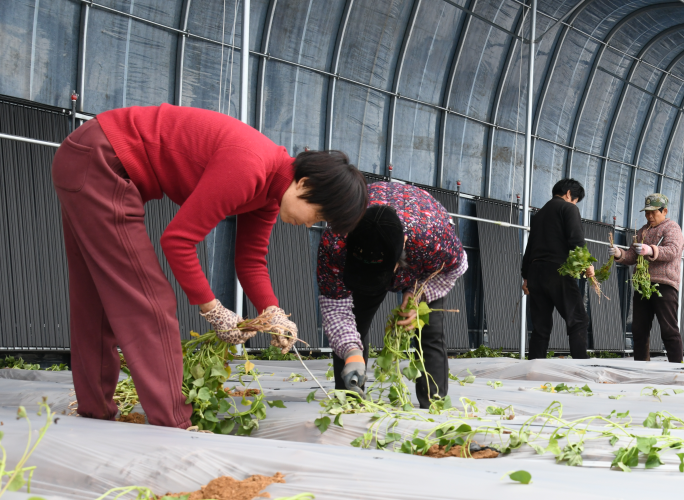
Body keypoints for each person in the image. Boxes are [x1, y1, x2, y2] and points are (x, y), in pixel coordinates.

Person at [51, 103, 366, 429]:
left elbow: (251, 260)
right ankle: (174, 425)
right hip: (102, 162)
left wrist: (272, 311)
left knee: (94, 300)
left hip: (87, 159)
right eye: (319, 215)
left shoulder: (272, 187)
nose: (311, 224)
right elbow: (177, 241)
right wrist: (213, 310)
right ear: (304, 185)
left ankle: (95, 411)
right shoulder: (250, 166)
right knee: (151, 302)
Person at [318, 181, 467, 408]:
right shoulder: (335, 238)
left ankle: (434, 405)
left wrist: (419, 294)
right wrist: (351, 352)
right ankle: (350, 401)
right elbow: (335, 305)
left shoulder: (433, 238)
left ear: (403, 247)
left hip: (422, 254)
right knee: (354, 325)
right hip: (384, 240)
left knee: (428, 330)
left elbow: (455, 269)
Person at [520, 179, 593, 360]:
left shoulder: (539, 214)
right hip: (557, 270)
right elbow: (576, 239)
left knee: (541, 326)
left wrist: (526, 277)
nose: (575, 204)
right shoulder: (568, 208)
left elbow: (530, 247)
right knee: (578, 319)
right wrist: (586, 263)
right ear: (569, 193)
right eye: (575, 200)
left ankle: (534, 366)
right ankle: (580, 367)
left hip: (535, 272)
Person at [608, 193, 684, 362]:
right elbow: (631, 257)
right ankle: (641, 366)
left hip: (664, 284)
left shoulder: (672, 228)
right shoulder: (643, 230)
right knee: (639, 329)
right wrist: (619, 253)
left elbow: (673, 251)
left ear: (664, 211)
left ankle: (678, 368)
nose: (649, 216)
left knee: (668, 329)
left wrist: (651, 250)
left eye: (653, 212)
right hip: (643, 284)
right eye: (647, 213)